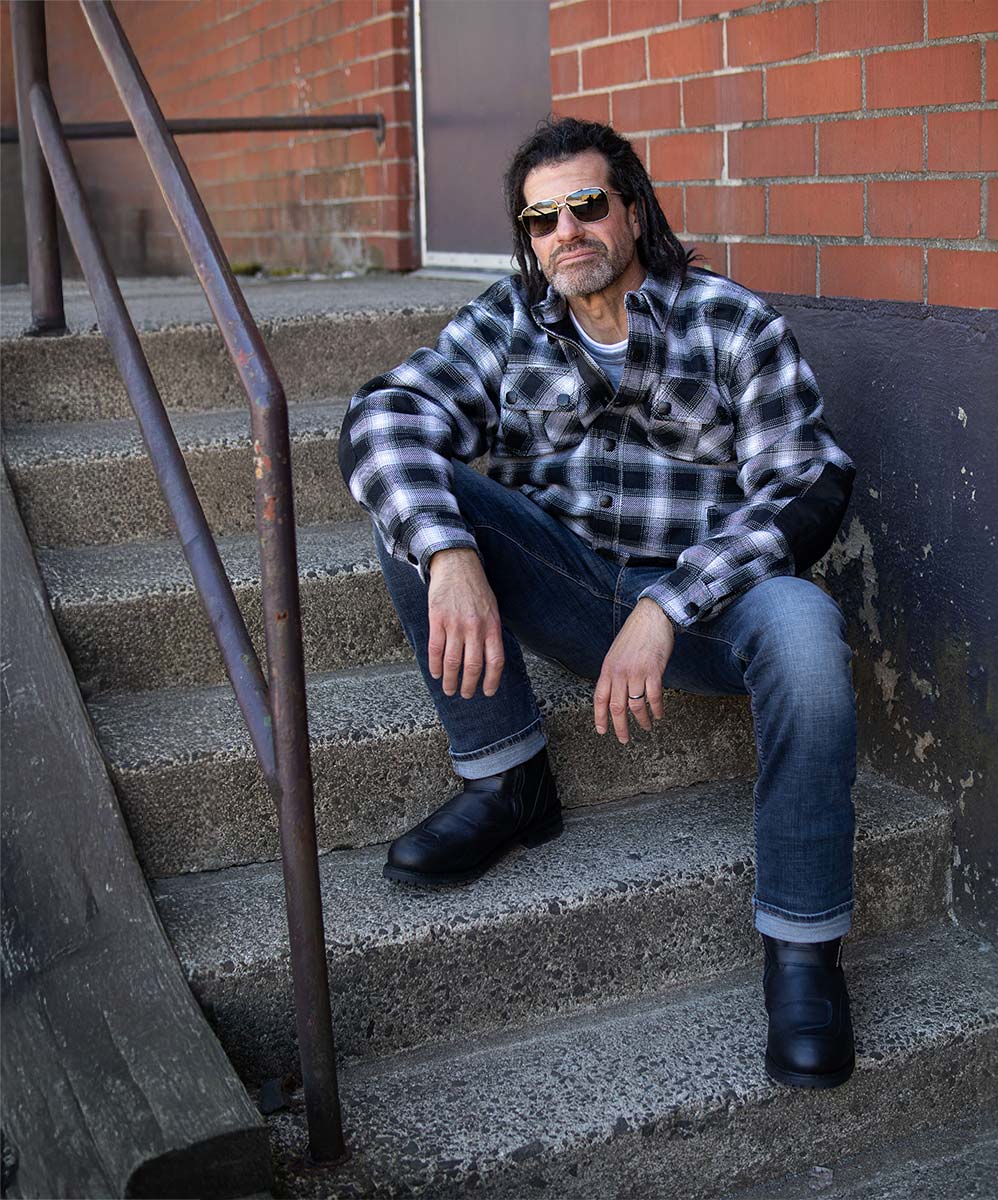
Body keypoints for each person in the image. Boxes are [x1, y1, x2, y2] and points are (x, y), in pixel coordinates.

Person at [338, 117, 858, 1089]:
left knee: (807, 633)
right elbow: (383, 415)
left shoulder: (731, 323)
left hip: (713, 608)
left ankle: (803, 951)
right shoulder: (506, 322)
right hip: (571, 585)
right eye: (541, 219)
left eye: (585, 206)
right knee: (411, 498)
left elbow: (807, 484)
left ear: (633, 211)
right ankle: (508, 781)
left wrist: (669, 605)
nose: (565, 232)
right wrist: (449, 552)